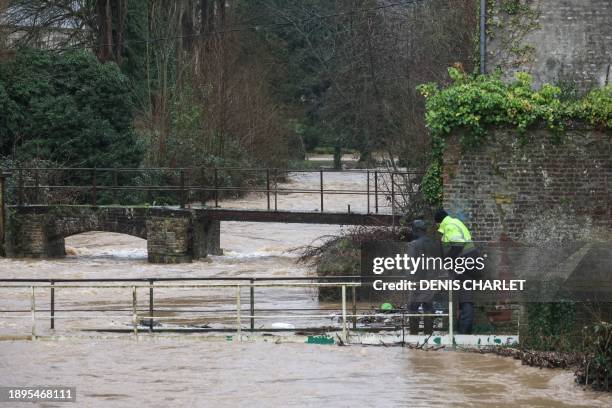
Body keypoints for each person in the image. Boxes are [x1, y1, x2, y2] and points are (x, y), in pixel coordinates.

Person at [434, 209, 479, 334]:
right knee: (464, 296)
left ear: (439, 222)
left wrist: (447, 261)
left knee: (466, 297)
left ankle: (464, 333)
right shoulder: (456, 222)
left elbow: (458, 245)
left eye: (437, 224)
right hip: (470, 261)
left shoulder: (449, 226)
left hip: (466, 262)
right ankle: (462, 329)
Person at [406, 219, 442, 335]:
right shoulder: (434, 244)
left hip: (417, 282)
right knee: (428, 308)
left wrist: (409, 279)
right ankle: (428, 334)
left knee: (413, 308)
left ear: (416, 230)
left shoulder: (414, 244)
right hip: (431, 282)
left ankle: (414, 334)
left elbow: (411, 265)